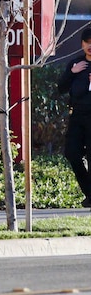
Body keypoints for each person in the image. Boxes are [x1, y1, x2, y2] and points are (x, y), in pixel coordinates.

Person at [58, 25, 91, 208]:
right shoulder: (75, 63)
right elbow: (61, 88)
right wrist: (72, 72)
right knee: (71, 153)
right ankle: (89, 192)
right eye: (87, 42)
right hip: (77, 115)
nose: (89, 46)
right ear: (82, 44)